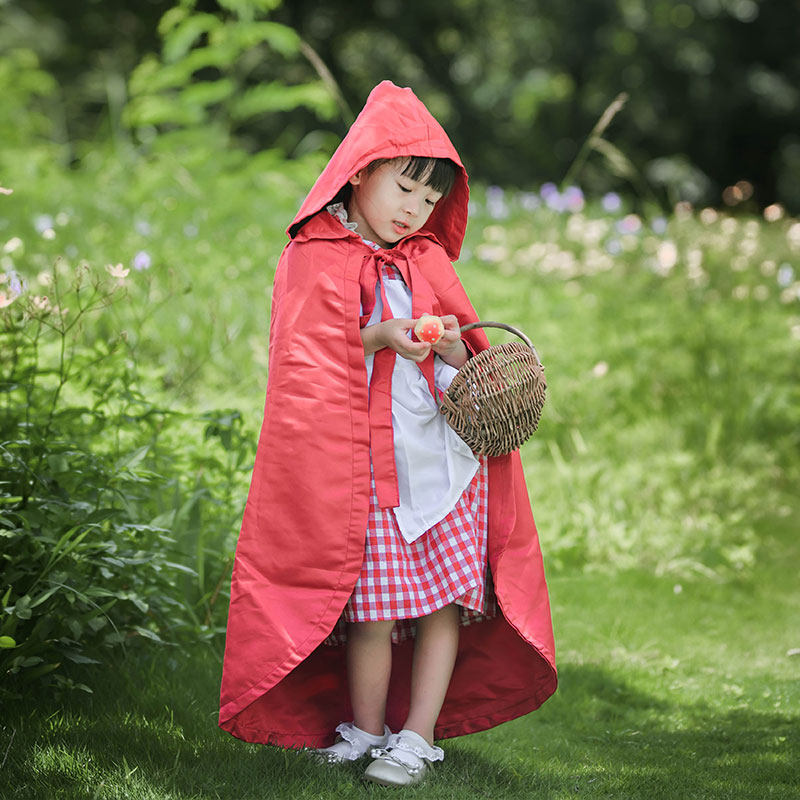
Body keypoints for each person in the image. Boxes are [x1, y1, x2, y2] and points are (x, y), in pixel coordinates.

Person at [218, 80, 557, 787]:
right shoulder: (314, 253)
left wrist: (465, 357)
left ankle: (417, 737)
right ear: (362, 170)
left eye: (430, 200)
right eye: (404, 188)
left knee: (441, 605)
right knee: (372, 607)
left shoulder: (427, 258)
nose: (415, 209)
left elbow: (463, 351)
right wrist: (378, 335)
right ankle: (365, 730)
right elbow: (302, 355)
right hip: (368, 470)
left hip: (445, 461)